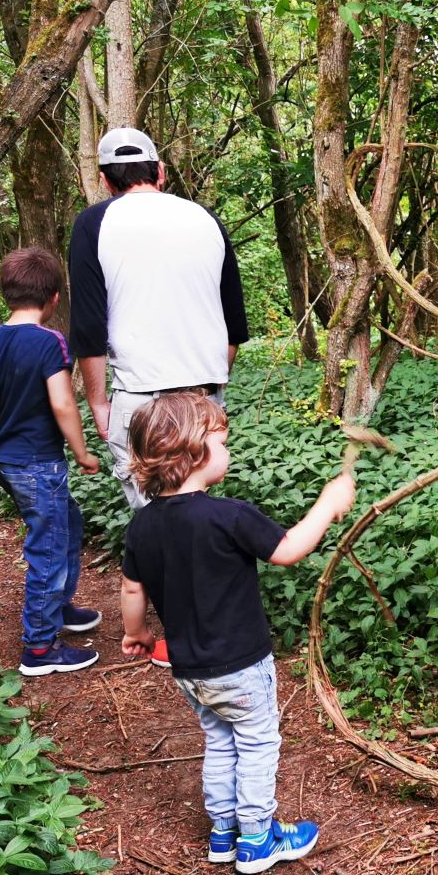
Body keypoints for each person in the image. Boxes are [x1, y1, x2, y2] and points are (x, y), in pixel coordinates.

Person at [117, 393, 356, 874]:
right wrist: (329, 505)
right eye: (223, 442)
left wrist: (137, 632)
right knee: (257, 745)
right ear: (193, 452)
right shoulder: (228, 515)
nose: (229, 451)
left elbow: (130, 586)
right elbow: (287, 550)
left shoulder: (142, 525)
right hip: (242, 668)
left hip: (191, 672)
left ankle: (223, 832)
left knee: (220, 741)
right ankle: (256, 838)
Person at [68, 126, 250, 667]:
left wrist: (99, 402)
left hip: (140, 395)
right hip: (202, 391)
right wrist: (213, 390)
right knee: (197, 509)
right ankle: (212, 628)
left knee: (159, 519)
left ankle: (183, 638)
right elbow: (233, 323)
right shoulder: (205, 220)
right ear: (161, 171)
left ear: (104, 180)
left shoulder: (94, 223)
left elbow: (90, 326)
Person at [0, 248, 104, 676]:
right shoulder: (50, 341)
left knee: (67, 523)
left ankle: (59, 608)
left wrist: (0, 440)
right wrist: (82, 453)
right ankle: (40, 648)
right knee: (47, 547)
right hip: (37, 463)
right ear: (53, 297)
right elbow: (63, 403)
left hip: (7, 459)